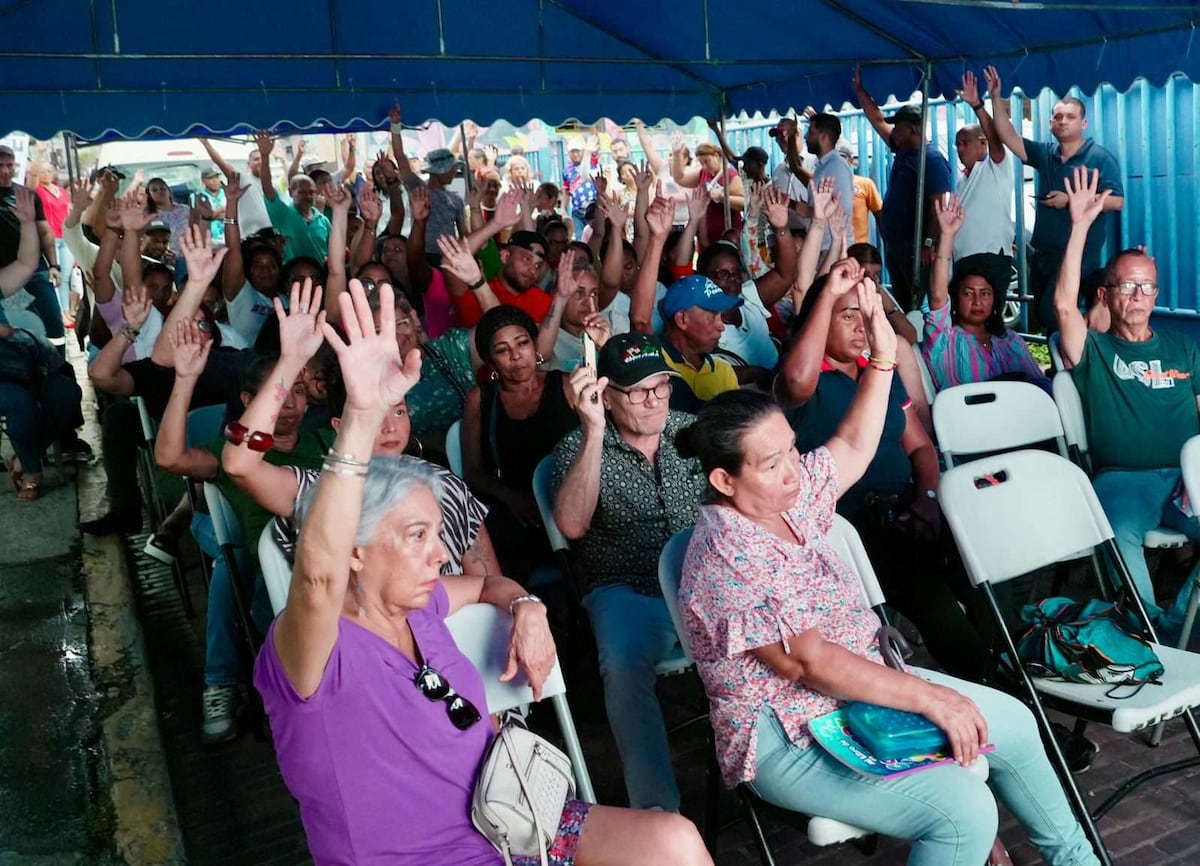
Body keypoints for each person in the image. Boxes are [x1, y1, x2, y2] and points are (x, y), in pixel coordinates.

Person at [252, 280, 711, 865]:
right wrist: (363, 418)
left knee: (674, 840)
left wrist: (527, 608)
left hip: (512, 817)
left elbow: (491, 582)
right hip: (425, 856)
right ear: (354, 551)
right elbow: (317, 576)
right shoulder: (314, 652)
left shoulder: (424, 603)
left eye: (436, 534)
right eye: (418, 537)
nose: (438, 552)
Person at [676, 383, 1101, 866]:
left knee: (1019, 727)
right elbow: (808, 665)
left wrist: (880, 362)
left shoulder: (784, 498)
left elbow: (854, 444)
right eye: (772, 464)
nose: (794, 471)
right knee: (964, 812)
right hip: (787, 730)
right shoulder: (725, 553)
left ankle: (1078, 860)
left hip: (861, 685)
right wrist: (935, 698)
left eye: (793, 449)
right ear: (724, 481)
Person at [776, 260, 993, 684]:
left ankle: (1014, 680)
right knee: (934, 602)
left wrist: (928, 500)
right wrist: (826, 295)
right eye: (847, 314)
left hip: (909, 508)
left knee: (984, 575)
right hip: (848, 526)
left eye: (866, 314)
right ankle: (1003, 696)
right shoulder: (804, 381)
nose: (860, 326)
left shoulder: (878, 371)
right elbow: (797, 378)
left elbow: (920, 447)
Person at [221, 278, 499, 581]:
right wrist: (290, 362)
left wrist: (519, 602)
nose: (390, 427)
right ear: (340, 426)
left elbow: (487, 581)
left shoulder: (443, 481)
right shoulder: (319, 491)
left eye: (399, 411)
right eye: (373, 414)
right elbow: (239, 465)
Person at [552, 331, 705, 811]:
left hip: (702, 580)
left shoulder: (692, 432)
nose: (654, 401)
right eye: (638, 391)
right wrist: (593, 431)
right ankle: (657, 814)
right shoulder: (576, 447)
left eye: (661, 386)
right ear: (605, 394)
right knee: (622, 666)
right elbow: (572, 526)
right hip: (628, 590)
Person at [1056, 166, 1200, 641]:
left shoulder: (1183, 348)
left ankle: (1182, 622)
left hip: (1187, 477)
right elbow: (1061, 306)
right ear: (1106, 294)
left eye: (1147, 287)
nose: (1139, 297)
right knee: (1119, 536)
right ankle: (1157, 630)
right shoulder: (1095, 350)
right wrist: (1079, 226)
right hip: (1123, 479)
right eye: (1127, 287)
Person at [984, 66, 1123, 331]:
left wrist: (1070, 201)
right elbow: (1009, 137)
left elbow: (1117, 201)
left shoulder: (1100, 158)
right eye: (1057, 116)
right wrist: (994, 98)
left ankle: (1076, 365)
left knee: (1055, 313)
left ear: (1083, 124)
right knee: (1047, 318)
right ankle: (1058, 370)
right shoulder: (1045, 153)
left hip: (1078, 255)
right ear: (1050, 123)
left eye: (1070, 117)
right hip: (1043, 254)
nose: (1062, 121)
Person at [461, 306, 579, 580]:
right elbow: (472, 472)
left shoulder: (567, 385)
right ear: (490, 361)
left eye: (522, 343)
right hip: (515, 513)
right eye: (502, 350)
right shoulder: (481, 399)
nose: (516, 355)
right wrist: (510, 498)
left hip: (568, 500)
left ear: (534, 344)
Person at [923, 194, 1050, 393]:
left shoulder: (1011, 341)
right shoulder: (944, 339)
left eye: (984, 293)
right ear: (956, 297)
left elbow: (1041, 387)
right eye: (968, 293)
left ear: (994, 300)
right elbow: (938, 297)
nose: (977, 301)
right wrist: (947, 236)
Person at [853, 67, 954, 312]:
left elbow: (938, 205)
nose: (893, 132)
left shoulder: (931, 160)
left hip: (916, 246)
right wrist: (859, 91)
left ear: (913, 129)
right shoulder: (904, 151)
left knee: (920, 303)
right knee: (904, 301)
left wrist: (927, 243)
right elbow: (877, 120)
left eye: (898, 127)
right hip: (898, 245)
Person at [951, 70, 1016, 307]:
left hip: (990, 258)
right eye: (957, 144)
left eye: (964, 143)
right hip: (963, 259)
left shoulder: (994, 166)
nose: (959, 148)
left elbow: (997, 142)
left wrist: (978, 105)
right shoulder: (961, 179)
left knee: (989, 320)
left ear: (982, 143)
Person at [254, 131, 331, 265]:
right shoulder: (283, 213)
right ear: (290, 192)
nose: (308, 196)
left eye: (311, 192)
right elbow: (267, 188)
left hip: (318, 278)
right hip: (291, 279)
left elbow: (332, 252)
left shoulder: (323, 221)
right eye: (302, 192)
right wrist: (265, 156)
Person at [670, 139, 744, 250]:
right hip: (705, 235)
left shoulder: (730, 175)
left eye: (706, 161)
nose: (704, 166)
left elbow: (743, 203)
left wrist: (722, 197)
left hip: (728, 232)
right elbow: (679, 178)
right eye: (701, 163)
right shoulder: (702, 173)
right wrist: (676, 155)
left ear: (717, 156)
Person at [806, 113, 855, 250]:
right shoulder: (823, 165)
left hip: (833, 245)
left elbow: (841, 208)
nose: (806, 137)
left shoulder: (836, 166)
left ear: (823, 137)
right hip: (825, 244)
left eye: (810, 132)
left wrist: (808, 211)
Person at [840, 141, 883, 245]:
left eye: (841, 157)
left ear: (850, 160)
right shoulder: (822, 184)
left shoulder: (865, 184)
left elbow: (880, 215)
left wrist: (888, 242)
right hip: (830, 249)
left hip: (859, 248)